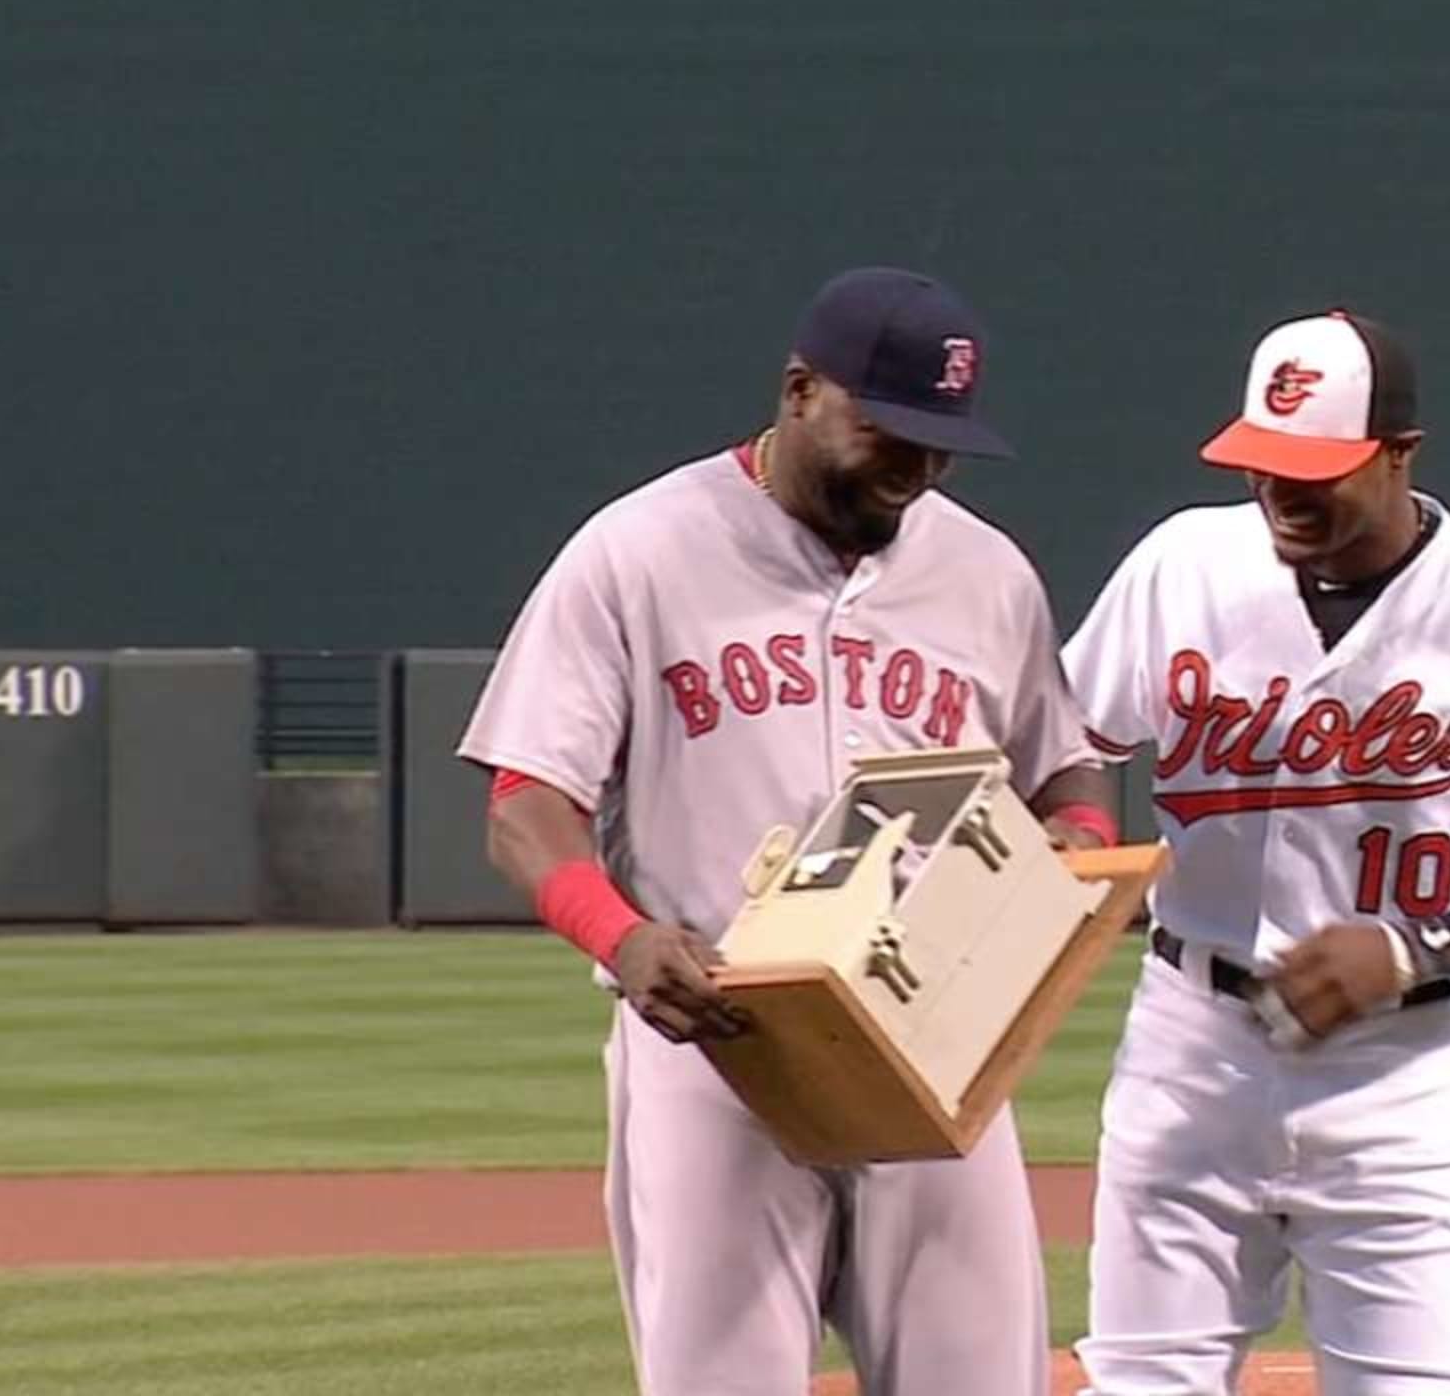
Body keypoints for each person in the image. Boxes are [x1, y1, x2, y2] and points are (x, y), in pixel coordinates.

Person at [458, 267, 1114, 1396]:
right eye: (888, 430)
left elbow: (1064, 765)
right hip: (721, 1036)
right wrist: (620, 937)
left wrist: (1079, 838)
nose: (915, 467)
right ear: (801, 390)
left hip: (937, 1040)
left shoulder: (985, 571)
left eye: (939, 444)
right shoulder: (639, 550)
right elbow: (525, 802)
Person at [1062, 309, 1450, 1395]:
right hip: (1190, 1049)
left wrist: (1418, 947)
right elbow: (1068, 746)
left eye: (1314, 470)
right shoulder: (1183, 564)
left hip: (1398, 1074)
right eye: (1261, 462)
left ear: (1399, 453)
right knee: (1142, 1383)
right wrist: (1081, 831)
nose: (1280, 491)